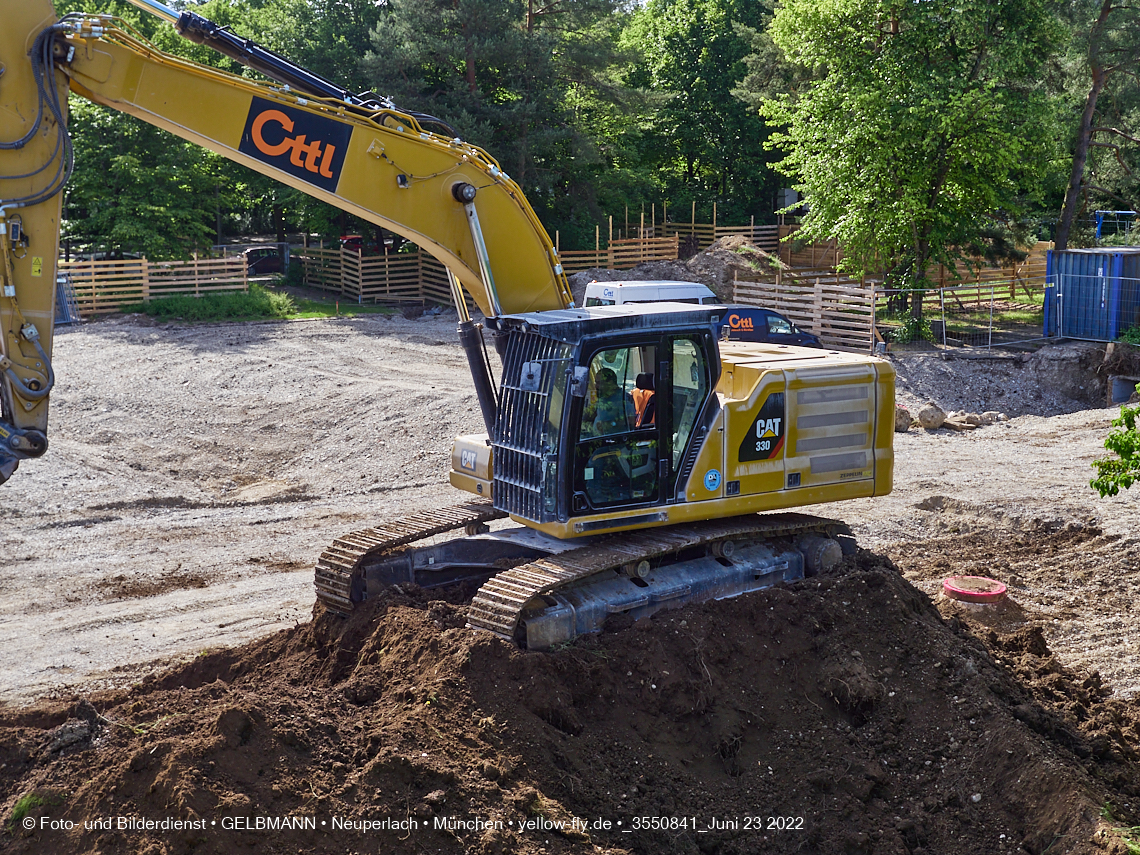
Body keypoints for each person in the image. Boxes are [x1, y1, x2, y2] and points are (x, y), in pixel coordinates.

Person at [592, 368, 632, 435]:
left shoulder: (623, 398)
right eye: (596, 383)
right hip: (596, 439)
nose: (596, 386)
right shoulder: (603, 396)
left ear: (610, 383)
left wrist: (611, 424)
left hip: (613, 441)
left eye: (599, 383)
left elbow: (631, 420)